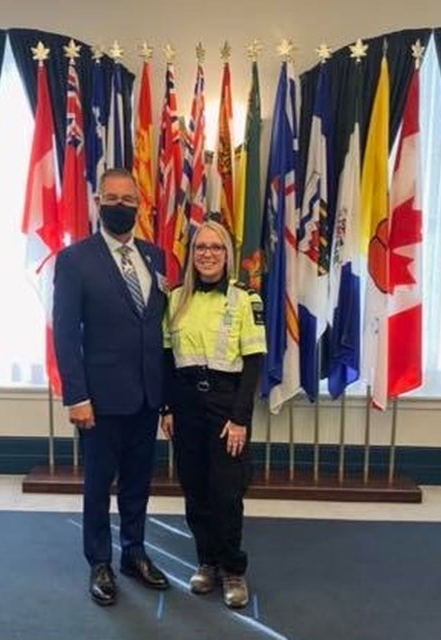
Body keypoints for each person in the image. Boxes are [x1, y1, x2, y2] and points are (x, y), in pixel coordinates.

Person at [52, 168, 170, 606]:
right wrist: (77, 396)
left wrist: (166, 398)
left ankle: (134, 554)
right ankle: (99, 561)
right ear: (98, 202)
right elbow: (65, 335)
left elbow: (160, 328)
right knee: (99, 485)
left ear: (140, 205)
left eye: (129, 199)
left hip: (146, 396)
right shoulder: (75, 260)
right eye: (113, 198)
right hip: (98, 401)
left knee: (139, 484)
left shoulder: (156, 257)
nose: (121, 205)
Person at [160, 219, 267, 609]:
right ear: (192, 254)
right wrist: (168, 407)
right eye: (200, 247)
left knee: (226, 493)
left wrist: (240, 419)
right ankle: (206, 562)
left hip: (226, 405)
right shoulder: (175, 299)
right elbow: (167, 359)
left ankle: (233, 569)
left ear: (227, 254)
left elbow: (253, 363)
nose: (207, 253)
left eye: (215, 247)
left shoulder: (245, 299)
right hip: (186, 405)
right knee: (195, 490)